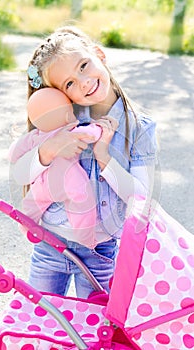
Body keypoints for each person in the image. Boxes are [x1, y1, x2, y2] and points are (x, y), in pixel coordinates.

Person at [10, 26, 157, 298]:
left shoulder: (138, 127)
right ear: (60, 93)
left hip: (100, 252)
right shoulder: (61, 117)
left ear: (98, 54)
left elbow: (141, 198)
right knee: (42, 322)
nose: (83, 82)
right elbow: (19, 173)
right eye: (69, 84)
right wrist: (49, 150)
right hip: (50, 244)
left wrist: (104, 158)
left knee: (93, 333)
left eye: (84, 66)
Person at [9, 87, 102, 248]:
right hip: (70, 181)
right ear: (68, 114)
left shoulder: (34, 137)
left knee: (30, 206)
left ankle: (27, 230)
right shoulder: (71, 130)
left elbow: (13, 152)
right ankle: (86, 238)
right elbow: (91, 134)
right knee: (83, 202)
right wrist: (99, 128)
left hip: (43, 184)